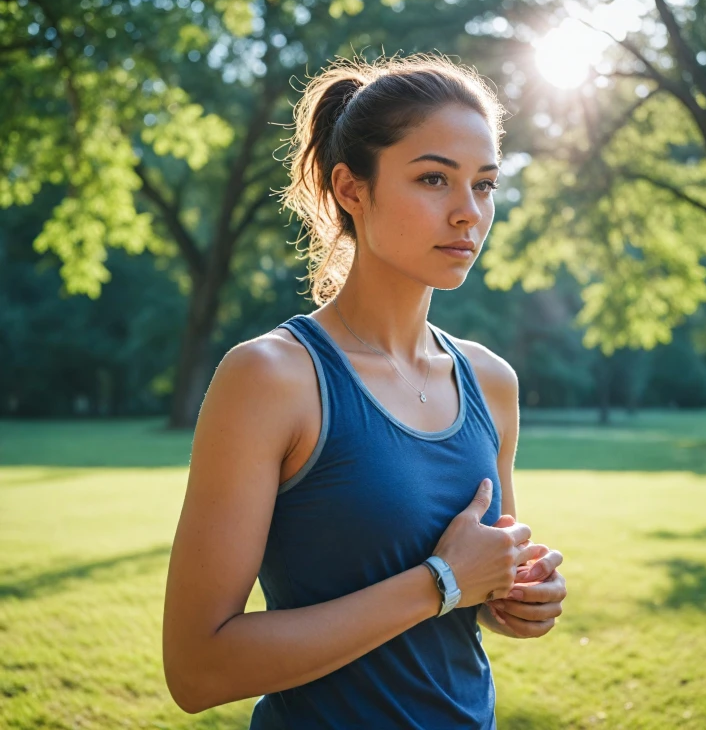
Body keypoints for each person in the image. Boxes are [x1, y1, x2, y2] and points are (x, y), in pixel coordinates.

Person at [162, 52, 567, 729]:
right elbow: (198, 668)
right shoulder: (271, 378)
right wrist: (439, 584)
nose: (469, 214)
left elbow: (476, 582)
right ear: (351, 189)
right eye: (434, 178)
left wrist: (515, 596)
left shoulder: (492, 382)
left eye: (486, 185)